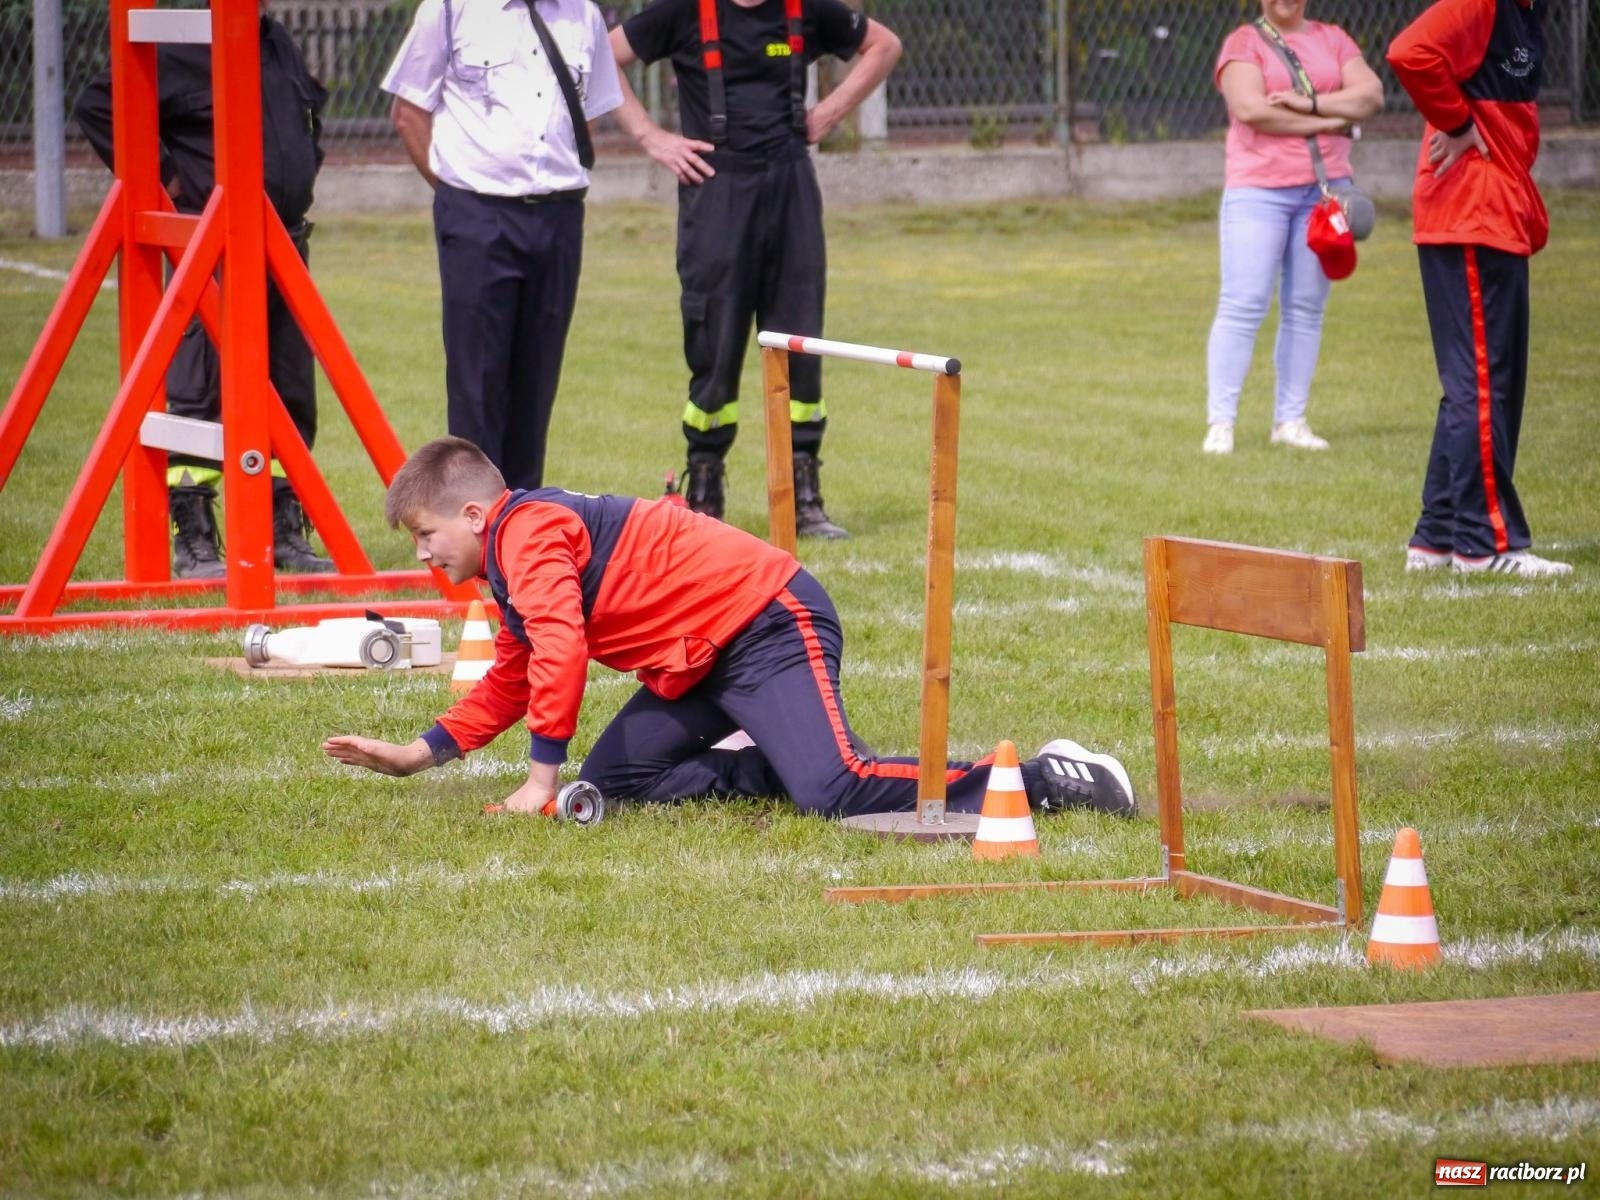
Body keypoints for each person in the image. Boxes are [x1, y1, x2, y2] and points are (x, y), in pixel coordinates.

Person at [323, 436, 1137, 820]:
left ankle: (1046, 778)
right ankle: (772, 754)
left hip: (768, 623)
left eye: (428, 536)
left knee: (839, 792)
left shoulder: (524, 531)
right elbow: (513, 672)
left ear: (474, 512)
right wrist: (417, 753)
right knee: (609, 789)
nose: (427, 554)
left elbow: (561, 652)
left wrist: (538, 774)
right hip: (701, 663)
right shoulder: (507, 559)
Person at [606, 0, 902, 537]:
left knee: (800, 342)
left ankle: (803, 492)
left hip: (790, 184)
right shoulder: (681, 11)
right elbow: (600, 57)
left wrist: (830, 114)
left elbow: (884, 45)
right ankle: (705, 486)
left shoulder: (805, 9)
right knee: (714, 344)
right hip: (716, 189)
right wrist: (651, 136)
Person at [74, 2, 334, 578]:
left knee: (289, 396)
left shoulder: (274, 41)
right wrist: (160, 172)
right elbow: (98, 104)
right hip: (209, 254)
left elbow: (309, 115)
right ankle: (193, 540)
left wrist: (305, 166)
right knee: (198, 393)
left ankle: (282, 531)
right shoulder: (182, 45)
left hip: (285, 247)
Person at [381, 0, 623, 490]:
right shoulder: (451, 9)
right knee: (478, 386)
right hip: (477, 214)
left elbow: (585, 118)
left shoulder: (584, 16)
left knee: (536, 384)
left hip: (558, 216)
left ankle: (521, 523)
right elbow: (408, 112)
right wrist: (456, 195)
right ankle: (474, 529)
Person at [1388, 0, 1570, 577]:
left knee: (1476, 382)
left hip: (1493, 210)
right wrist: (1458, 125)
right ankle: (1485, 545)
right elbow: (1409, 52)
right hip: (1472, 211)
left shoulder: (1529, 13)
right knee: (1483, 383)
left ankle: (1437, 537)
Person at [1202, 0, 1383, 456]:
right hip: (1258, 191)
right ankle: (1221, 423)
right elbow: (1250, 109)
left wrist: (1308, 102)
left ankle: (1291, 420)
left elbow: (1372, 96)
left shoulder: (1333, 39)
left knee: (1306, 306)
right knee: (1244, 303)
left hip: (1324, 192)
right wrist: (1332, 120)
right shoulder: (1243, 43)